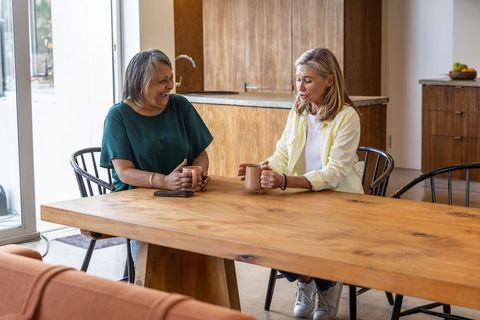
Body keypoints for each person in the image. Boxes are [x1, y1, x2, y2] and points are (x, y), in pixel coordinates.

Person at [238, 48, 364, 320]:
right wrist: (265, 166)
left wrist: (285, 181)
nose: (300, 86)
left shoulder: (347, 117)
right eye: (297, 79)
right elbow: (283, 152)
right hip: (302, 197)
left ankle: (327, 283)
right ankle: (307, 278)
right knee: (265, 232)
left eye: (308, 80)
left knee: (315, 232)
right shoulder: (298, 111)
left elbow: (335, 172)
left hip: (340, 200)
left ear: (329, 80)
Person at [100, 49, 213, 261]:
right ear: (140, 83)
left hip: (182, 200)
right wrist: (164, 181)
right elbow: (124, 173)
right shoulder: (118, 116)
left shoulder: (180, 106)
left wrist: (196, 172)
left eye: (171, 79)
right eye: (162, 81)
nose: (170, 86)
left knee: (213, 235)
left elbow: (200, 154)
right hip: (137, 205)